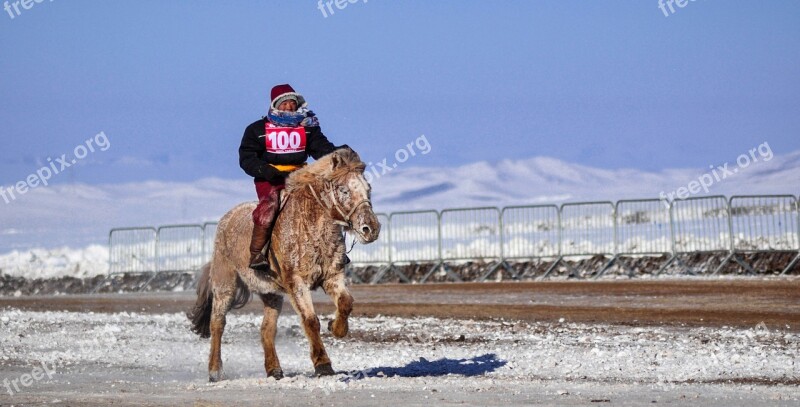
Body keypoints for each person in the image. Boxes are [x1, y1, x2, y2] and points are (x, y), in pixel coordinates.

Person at [239, 84, 339, 271]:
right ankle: (257, 253)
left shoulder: (308, 128)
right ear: (275, 105)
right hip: (270, 178)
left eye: (292, 103)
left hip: (300, 175)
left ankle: (334, 249)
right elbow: (247, 158)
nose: (289, 107)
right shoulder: (256, 130)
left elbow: (321, 149)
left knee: (327, 201)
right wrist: (264, 170)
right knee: (269, 208)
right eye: (283, 103)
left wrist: (339, 154)